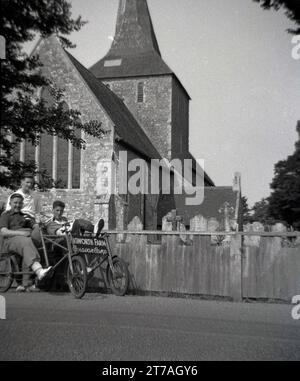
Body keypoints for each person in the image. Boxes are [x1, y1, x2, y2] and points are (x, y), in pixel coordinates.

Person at [0, 193, 52, 292]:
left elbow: (34, 226)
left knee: (35, 238)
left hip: (25, 239)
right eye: (15, 203)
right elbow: (3, 232)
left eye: (20, 203)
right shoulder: (5, 215)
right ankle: (39, 270)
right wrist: (21, 233)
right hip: (10, 240)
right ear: (10, 203)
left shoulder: (25, 216)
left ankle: (25, 284)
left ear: (22, 204)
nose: (17, 205)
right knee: (26, 241)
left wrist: (38, 226)